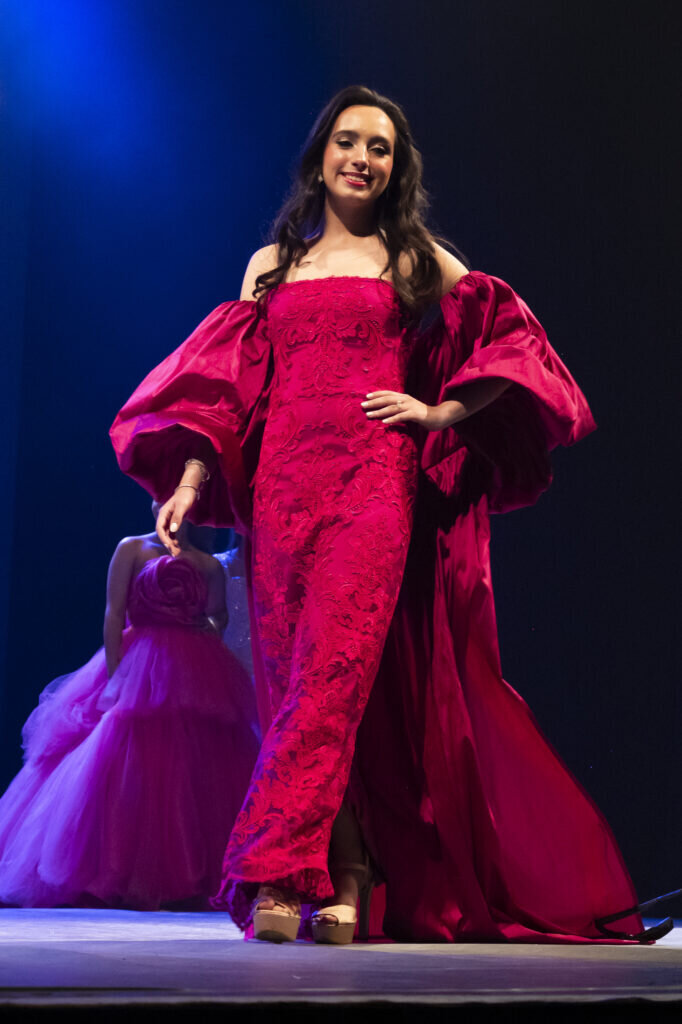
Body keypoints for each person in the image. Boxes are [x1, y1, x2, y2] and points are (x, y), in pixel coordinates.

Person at [110, 85, 659, 944]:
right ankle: (348, 869)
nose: (361, 158)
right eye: (348, 141)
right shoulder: (271, 266)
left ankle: (273, 870)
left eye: (380, 147)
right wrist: (188, 480)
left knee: (329, 679)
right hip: (282, 493)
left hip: (372, 486)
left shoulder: (411, 260)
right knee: (295, 687)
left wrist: (441, 413)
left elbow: (512, 334)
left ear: (398, 169)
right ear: (320, 155)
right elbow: (225, 391)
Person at [0, 506, 259, 910]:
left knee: (189, 765)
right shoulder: (133, 548)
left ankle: (190, 875)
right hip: (139, 659)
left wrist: (201, 626)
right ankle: (108, 870)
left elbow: (218, 619)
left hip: (193, 668)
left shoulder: (207, 564)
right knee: (120, 757)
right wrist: (116, 675)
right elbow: (113, 613)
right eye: (161, 497)